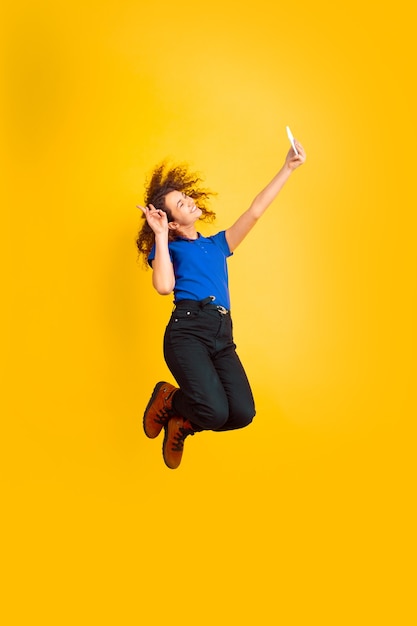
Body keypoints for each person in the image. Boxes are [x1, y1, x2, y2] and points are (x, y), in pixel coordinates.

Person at [136, 136, 306, 469]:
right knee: (213, 411)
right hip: (188, 332)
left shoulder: (217, 244)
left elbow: (255, 211)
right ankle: (169, 398)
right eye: (180, 204)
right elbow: (163, 286)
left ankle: (181, 418)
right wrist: (158, 234)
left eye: (185, 197)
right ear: (171, 222)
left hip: (221, 336)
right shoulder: (169, 250)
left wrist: (287, 167)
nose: (188, 202)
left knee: (242, 413)